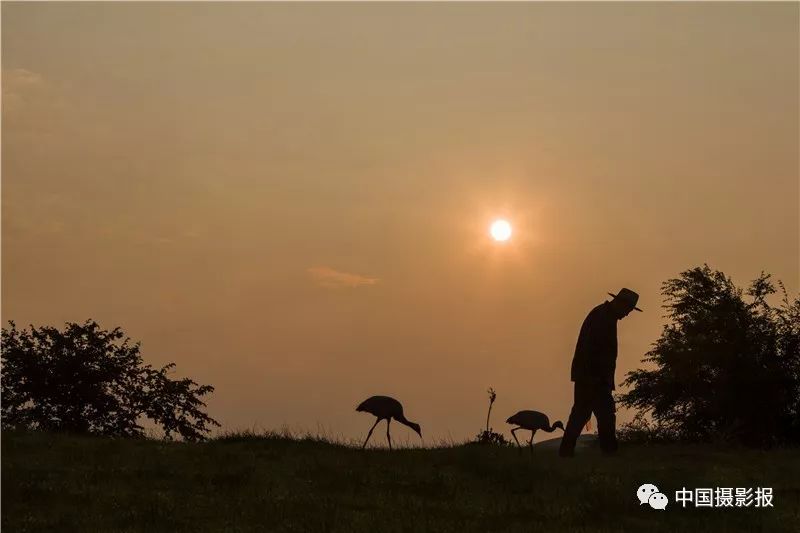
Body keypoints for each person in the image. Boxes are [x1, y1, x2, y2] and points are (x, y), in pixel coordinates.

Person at [559, 288, 642, 457]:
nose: (627, 314)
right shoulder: (603, 318)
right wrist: (599, 379)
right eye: (627, 310)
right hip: (594, 378)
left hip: (590, 377)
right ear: (620, 304)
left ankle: (566, 453)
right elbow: (593, 350)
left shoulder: (602, 315)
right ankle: (609, 454)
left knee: (581, 415)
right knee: (603, 416)